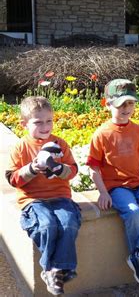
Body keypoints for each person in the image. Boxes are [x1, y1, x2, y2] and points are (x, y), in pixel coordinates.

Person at [86, 79, 139, 287]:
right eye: (121, 104)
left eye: (130, 103)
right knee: (133, 212)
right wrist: (103, 192)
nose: (126, 108)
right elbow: (93, 168)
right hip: (116, 187)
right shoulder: (101, 134)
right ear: (107, 104)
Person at [5, 96, 81, 295]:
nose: (45, 126)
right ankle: (55, 268)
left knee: (68, 222)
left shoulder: (60, 144)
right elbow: (13, 179)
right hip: (33, 199)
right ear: (24, 124)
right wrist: (32, 168)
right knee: (47, 225)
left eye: (49, 121)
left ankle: (56, 268)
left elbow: (73, 171)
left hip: (60, 195)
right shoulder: (20, 147)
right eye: (38, 122)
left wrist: (58, 168)